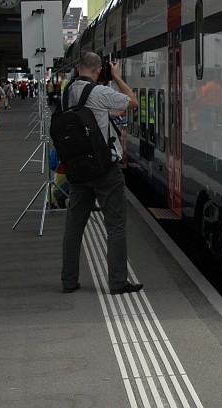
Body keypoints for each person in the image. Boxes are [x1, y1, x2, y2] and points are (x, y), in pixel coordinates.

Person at [61, 52, 142, 296]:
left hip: (78, 169)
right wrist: (117, 77)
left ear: (77, 68)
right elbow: (132, 101)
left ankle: (68, 280)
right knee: (116, 225)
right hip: (105, 170)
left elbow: (89, 118)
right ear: (98, 72)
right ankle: (117, 282)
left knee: (74, 226)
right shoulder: (99, 92)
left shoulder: (67, 93)